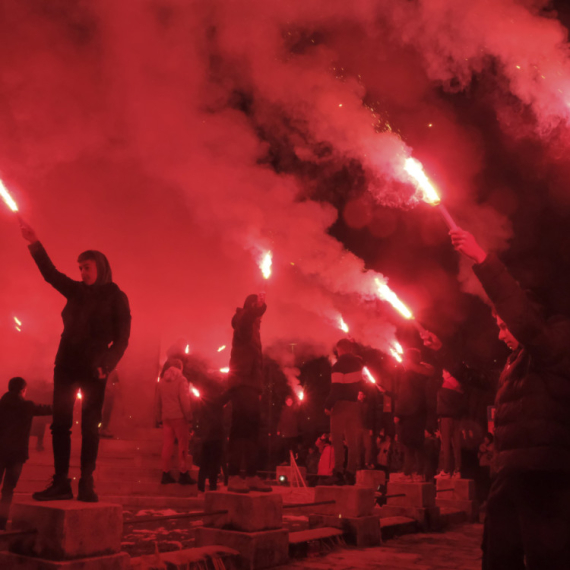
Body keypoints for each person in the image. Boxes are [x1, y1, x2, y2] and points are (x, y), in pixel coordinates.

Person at [451, 227, 570, 570]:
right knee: (499, 556)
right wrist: (443, 354)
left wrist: (482, 259)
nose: (501, 334)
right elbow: (484, 381)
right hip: (510, 476)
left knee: (546, 558)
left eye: (505, 326)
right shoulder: (516, 364)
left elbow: (526, 323)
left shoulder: (555, 343)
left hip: (543, 477)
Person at [20, 221, 131, 503]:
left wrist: (107, 365)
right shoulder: (77, 291)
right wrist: (34, 243)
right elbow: (50, 274)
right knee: (60, 424)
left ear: (100, 268)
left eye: (87, 267)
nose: (82, 272)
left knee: (90, 425)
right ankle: (60, 482)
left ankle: (86, 482)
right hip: (66, 365)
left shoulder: (116, 297)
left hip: (95, 369)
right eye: (80, 267)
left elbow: (122, 339)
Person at [225, 293, 271, 493]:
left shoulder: (253, 328)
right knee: (240, 432)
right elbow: (244, 320)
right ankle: (234, 475)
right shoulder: (244, 323)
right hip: (242, 384)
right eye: (257, 312)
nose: (260, 318)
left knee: (252, 433)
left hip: (251, 386)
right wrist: (254, 310)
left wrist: (258, 388)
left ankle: (252, 475)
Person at [0, 377, 52, 530]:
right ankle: (1, 523)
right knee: (8, 490)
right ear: (23, 390)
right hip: (17, 455)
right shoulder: (27, 406)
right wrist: (69, 402)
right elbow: (49, 409)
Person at [324, 339, 365, 486]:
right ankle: (351, 472)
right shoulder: (359, 365)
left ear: (340, 349)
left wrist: (328, 405)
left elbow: (336, 388)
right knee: (352, 440)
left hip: (340, 406)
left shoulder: (338, 366)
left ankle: (339, 472)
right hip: (354, 405)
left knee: (337, 439)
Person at [394, 348, 434, 482]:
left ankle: (407, 473)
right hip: (421, 412)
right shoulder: (424, 374)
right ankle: (421, 473)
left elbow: (404, 395)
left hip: (409, 414)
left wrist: (398, 413)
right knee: (418, 443)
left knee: (408, 444)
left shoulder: (407, 375)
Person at [155, 359, 194, 485]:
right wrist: (189, 417)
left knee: (167, 445)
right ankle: (183, 473)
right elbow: (184, 400)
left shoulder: (161, 382)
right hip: (179, 417)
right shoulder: (181, 380)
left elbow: (158, 402)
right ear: (180, 368)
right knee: (183, 445)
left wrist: (159, 418)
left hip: (166, 418)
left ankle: (165, 473)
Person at [436, 367, 467, 479]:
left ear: (448, 373)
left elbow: (441, 405)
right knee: (456, 445)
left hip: (446, 418)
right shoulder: (458, 387)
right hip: (457, 419)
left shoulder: (444, 387)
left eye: (443, 372)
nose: (442, 374)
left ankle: (446, 470)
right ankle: (458, 470)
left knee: (446, 445)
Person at [277, 396, 300, 465]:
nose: (289, 402)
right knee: (286, 448)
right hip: (285, 433)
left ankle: (294, 461)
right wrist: (278, 429)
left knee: (293, 447)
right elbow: (281, 420)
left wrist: (299, 403)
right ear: (286, 402)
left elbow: (297, 409)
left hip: (293, 433)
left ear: (292, 402)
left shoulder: (294, 408)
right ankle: (287, 460)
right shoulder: (283, 410)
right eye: (288, 401)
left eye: (290, 401)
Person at [100, 370, 120, 439]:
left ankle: (103, 428)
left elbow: (116, 379)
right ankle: (103, 428)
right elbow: (116, 379)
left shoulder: (111, 369)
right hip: (107, 391)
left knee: (106, 410)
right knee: (106, 410)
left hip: (108, 391)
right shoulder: (109, 368)